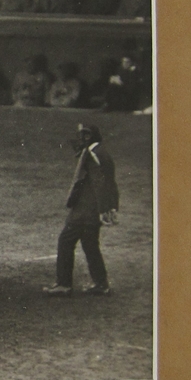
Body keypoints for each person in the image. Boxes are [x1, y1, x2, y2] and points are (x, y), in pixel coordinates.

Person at [44, 124, 119, 297]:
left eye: (81, 135)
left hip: (85, 210)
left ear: (88, 136)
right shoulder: (102, 152)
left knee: (66, 241)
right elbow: (110, 183)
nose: (78, 139)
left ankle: (63, 284)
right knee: (90, 244)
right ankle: (101, 284)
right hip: (93, 209)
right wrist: (111, 207)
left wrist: (103, 210)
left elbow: (100, 184)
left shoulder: (92, 154)